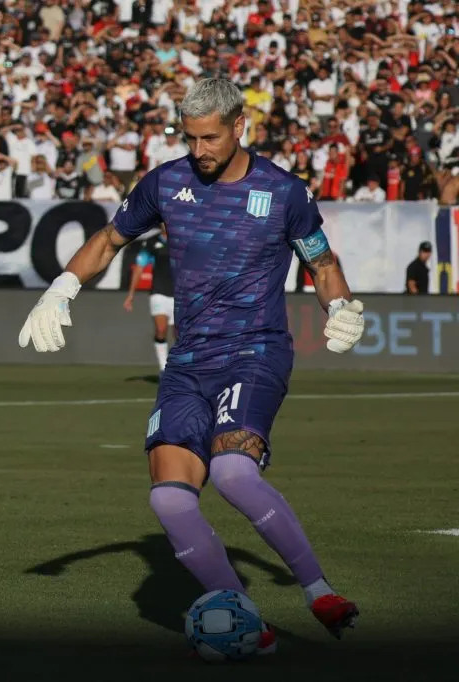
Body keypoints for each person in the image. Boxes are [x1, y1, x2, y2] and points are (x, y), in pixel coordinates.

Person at [18, 78, 366, 653]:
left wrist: (342, 305)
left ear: (239, 128)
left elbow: (321, 261)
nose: (199, 150)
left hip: (254, 352)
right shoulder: (166, 182)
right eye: (190, 138)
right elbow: (108, 239)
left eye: (210, 138)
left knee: (232, 474)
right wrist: (60, 290)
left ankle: (318, 591)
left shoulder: (283, 192)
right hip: (187, 361)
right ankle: (248, 623)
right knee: (169, 500)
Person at [123, 223, 174, 373]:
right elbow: (139, 267)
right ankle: (163, 368)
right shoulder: (152, 242)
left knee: (179, 335)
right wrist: (130, 295)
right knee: (160, 329)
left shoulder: (180, 240)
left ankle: (179, 369)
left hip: (179, 295)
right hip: (158, 292)